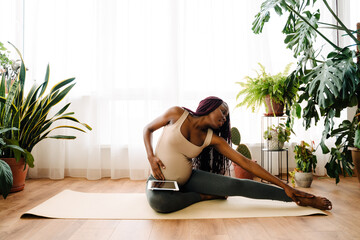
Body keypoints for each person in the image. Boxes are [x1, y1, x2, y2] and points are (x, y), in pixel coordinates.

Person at [143, 96, 332, 213]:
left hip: (189, 179)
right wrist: (151, 157)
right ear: (210, 105)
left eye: (226, 117)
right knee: (159, 203)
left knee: (236, 185)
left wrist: (286, 187)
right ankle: (203, 196)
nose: (224, 118)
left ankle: (300, 198)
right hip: (160, 180)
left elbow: (246, 163)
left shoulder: (212, 138)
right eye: (222, 112)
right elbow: (148, 129)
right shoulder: (177, 114)